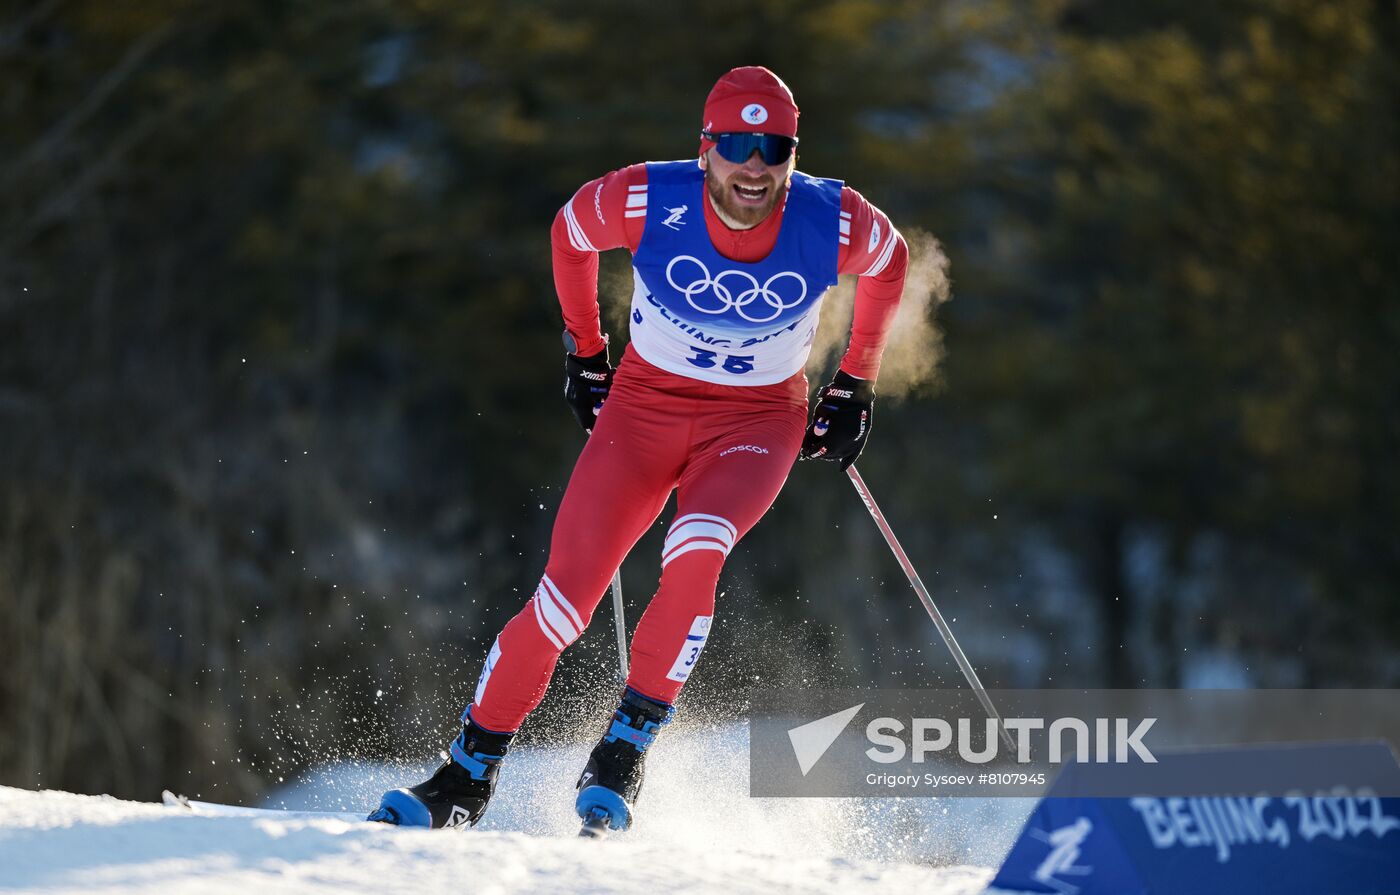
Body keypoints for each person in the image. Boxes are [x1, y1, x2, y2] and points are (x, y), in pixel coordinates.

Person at [369, 65, 909, 833]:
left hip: (754, 424)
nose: (754, 165)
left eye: (774, 147)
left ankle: (624, 747)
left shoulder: (837, 219)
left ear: (793, 153)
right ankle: (465, 773)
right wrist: (584, 351)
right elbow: (569, 233)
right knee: (562, 603)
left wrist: (856, 380)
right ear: (705, 148)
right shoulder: (644, 196)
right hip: (643, 408)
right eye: (736, 144)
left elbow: (892, 265)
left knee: (698, 544)